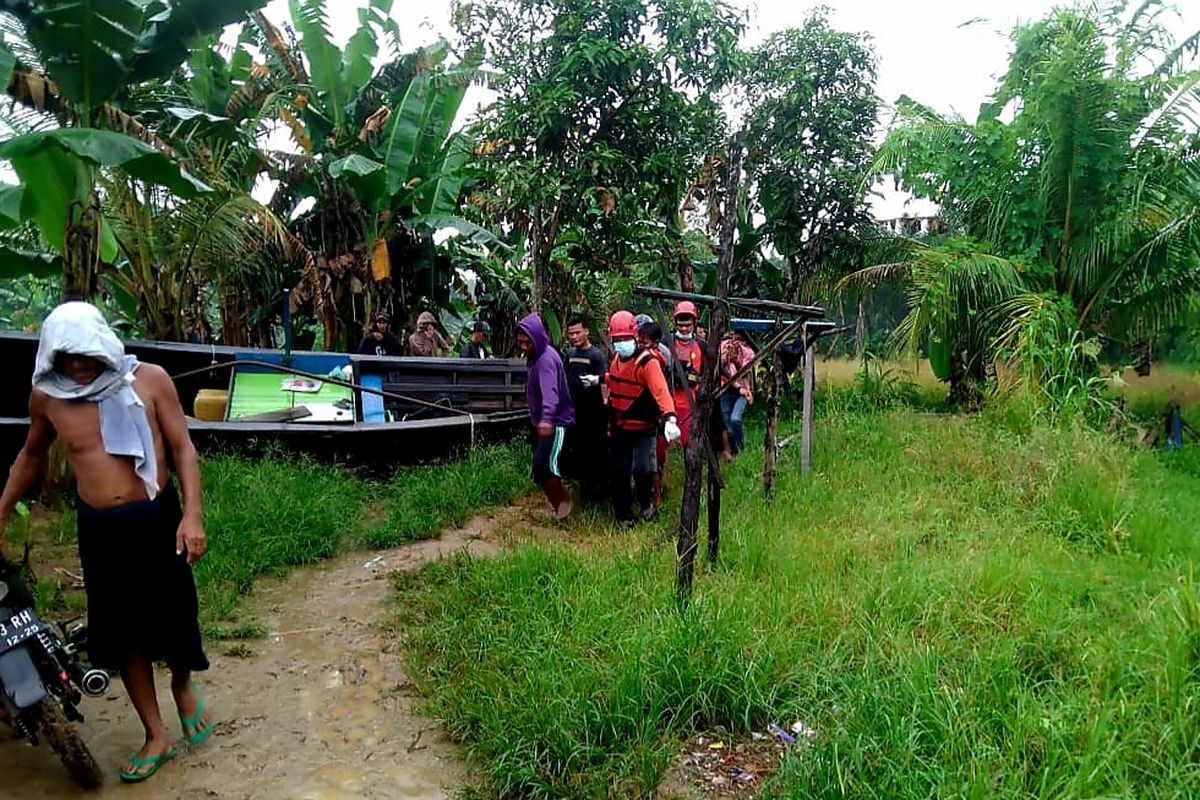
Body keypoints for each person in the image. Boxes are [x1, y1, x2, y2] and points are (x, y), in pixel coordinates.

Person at [0, 302, 213, 783]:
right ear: (53, 356)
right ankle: (155, 733)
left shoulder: (151, 380)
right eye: (67, 358)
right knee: (121, 635)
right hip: (100, 530)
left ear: (103, 345)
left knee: (176, 617)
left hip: (157, 518)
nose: (78, 367)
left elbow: (182, 447)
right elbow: (30, 457)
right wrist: (0, 510)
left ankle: (182, 686)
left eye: (86, 356)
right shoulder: (48, 397)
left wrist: (193, 515)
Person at [604, 310, 680, 525]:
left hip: (643, 427)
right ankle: (623, 515)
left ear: (635, 337)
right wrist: (598, 379)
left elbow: (660, 390)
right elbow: (617, 380)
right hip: (621, 426)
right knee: (618, 470)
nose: (620, 343)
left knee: (642, 469)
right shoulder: (617, 360)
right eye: (616, 339)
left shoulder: (648, 362)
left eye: (624, 339)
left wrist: (670, 418)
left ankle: (646, 506)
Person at [517, 314, 575, 520]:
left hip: (555, 422)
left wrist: (547, 419)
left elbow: (551, 393)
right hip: (543, 421)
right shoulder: (535, 357)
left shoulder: (545, 360)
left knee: (545, 465)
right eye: (520, 342)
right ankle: (560, 507)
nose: (523, 346)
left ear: (537, 338)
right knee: (539, 467)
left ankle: (564, 505)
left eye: (527, 342)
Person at [563, 315, 608, 502]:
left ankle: (598, 492)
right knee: (577, 451)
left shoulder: (596, 356)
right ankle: (582, 490)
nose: (574, 337)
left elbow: (605, 381)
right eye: (571, 334)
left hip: (593, 414)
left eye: (577, 332)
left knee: (595, 452)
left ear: (586, 331)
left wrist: (605, 404)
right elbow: (564, 379)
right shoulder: (570, 355)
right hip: (574, 413)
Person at [720, 329, 756, 455]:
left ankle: (740, 449)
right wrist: (726, 357)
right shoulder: (724, 345)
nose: (735, 336)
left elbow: (746, 372)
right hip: (724, 389)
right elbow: (718, 367)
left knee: (735, 419)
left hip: (742, 389)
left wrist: (736, 360)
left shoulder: (749, 351)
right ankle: (734, 452)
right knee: (727, 425)